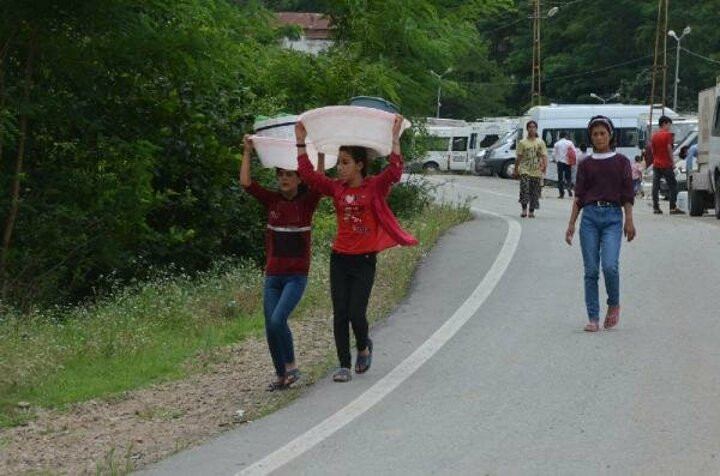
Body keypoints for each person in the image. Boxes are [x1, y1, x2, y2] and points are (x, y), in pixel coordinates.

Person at [294, 115, 418, 383]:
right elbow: (308, 176)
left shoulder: (374, 187)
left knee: (356, 313)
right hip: (339, 258)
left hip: (364, 260)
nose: (339, 167)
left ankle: (363, 345)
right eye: (339, 162)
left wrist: (395, 139)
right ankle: (343, 365)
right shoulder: (336, 188)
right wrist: (300, 142)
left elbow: (395, 172)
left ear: (360, 165)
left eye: (345, 162)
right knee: (339, 313)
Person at [240, 135, 324, 391]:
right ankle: (281, 376)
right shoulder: (272, 201)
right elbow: (246, 182)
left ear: (299, 179)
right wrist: (247, 151)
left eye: (289, 175)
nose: (284, 179)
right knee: (270, 326)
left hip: (296, 276)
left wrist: (319, 152)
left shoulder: (307, 203)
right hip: (273, 276)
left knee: (278, 320)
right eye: (280, 175)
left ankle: (292, 366)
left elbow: (320, 181)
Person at [565, 115, 636, 332]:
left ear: (610, 135)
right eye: (595, 134)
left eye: (602, 133)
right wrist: (571, 224)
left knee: (609, 265)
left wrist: (629, 221)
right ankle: (593, 317)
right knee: (591, 270)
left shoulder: (622, 162)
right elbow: (579, 196)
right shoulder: (586, 164)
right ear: (590, 137)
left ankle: (613, 303)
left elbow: (627, 194)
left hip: (613, 217)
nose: (599, 137)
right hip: (590, 218)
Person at [650, 115, 684, 214]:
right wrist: (672, 162)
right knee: (673, 185)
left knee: (655, 186)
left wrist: (656, 159)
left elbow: (652, 150)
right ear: (664, 123)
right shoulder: (668, 135)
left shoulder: (654, 136)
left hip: (656, 164)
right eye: (669, 124)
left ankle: (656, 208)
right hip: (666, 164)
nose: (669, 127)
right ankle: (672, 208)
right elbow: (669, 148)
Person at [514, 120, 547, 218]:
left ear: (536, 129)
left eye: (534, 127)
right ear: (527, 129)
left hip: (536, 170)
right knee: (524, 189)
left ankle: (531, 211)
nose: (532, 129)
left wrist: (544, 166)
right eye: (530, 127)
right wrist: (516, 169)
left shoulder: (540, 142)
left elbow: (543, 155)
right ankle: (524, 209)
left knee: (534, 191)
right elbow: (519, 157)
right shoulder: (522, 142)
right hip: (525, 169)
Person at [553, 131, 575, 198]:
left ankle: (561, 193)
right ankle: (569, 187)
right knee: (568, 177)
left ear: (560, 136)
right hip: (568, 162)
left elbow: (554, 154)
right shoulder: (570, 143)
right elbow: (574, 151)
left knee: (560, 178)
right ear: (566, 136)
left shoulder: (557, 144)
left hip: (560, 162)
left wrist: (554, 160)